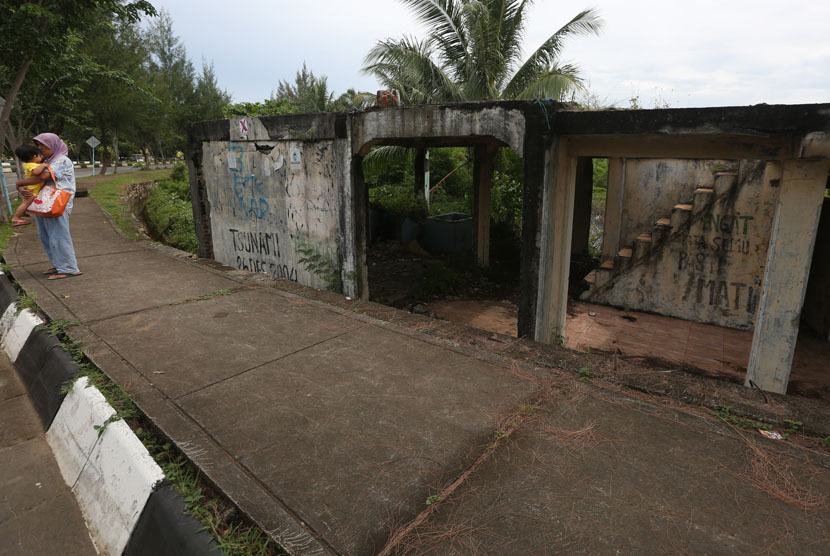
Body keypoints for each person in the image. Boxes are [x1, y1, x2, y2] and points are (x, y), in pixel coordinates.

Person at [15, 133, 82, 280]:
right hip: (44, 201)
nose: (40, 148)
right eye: (38, 145)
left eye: (42, 145)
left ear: (52, 144)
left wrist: (20, 183)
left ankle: (69, 268)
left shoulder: (61, 160)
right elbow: (36, 177)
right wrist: (22, 186)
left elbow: (43, 177)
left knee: (58, 235)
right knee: (46, 235)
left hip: (57, 202)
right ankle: (58, 265)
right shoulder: (48, 160)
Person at [12, 144, 48, 227]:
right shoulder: (32, 165)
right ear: (34, 156)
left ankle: (23, 212)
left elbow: (38, 163)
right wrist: (43, 165)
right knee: (25, 203)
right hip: (32, 189)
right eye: (40, 155)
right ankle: (16, 217)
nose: (41, 157)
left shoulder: (28, 163)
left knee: (25, 203)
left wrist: (42, 160)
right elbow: (35, 172)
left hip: (30, 188)